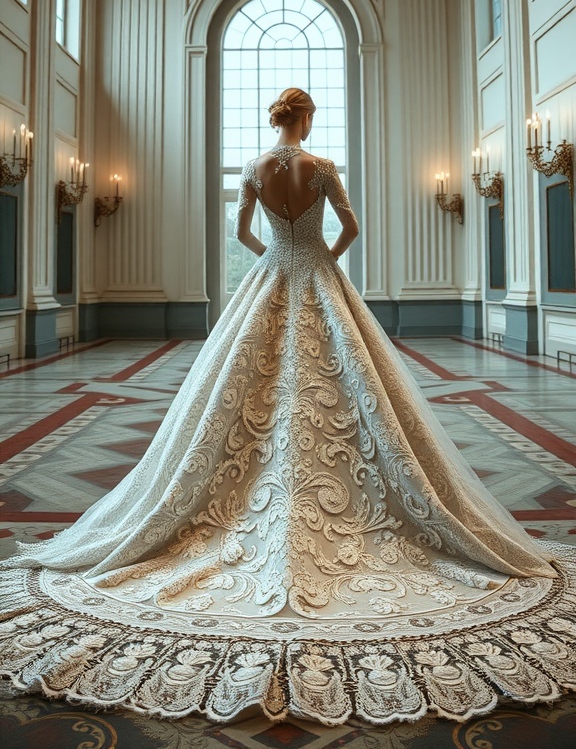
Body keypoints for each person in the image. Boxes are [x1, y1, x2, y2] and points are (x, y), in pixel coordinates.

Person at [0, 87, 575, 727]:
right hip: (317, 277)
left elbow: (241, 229)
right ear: (304, 119)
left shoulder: (253, 169)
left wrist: (275, 254)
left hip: (272, 272)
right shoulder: (323, 168)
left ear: (277, 120)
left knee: (237, 391)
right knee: (358, 394)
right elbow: (352, 227)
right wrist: (320, 259)